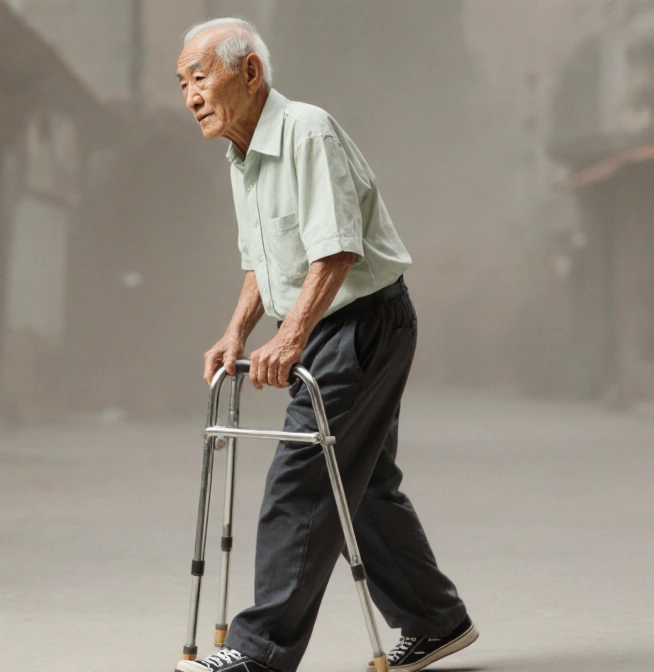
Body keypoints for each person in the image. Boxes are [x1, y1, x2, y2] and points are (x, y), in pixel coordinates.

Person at [174, 19, 477, 672]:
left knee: (303, 483)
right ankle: (436, 619)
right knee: (359, 487)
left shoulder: (306, 131)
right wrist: (237, 332)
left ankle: (258, 653)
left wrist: (291, 334)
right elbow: (264, 262)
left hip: (362, 323)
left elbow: (336, 248)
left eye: (201, 76)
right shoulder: (243, 155)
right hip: (329, 325)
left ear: (249, 73)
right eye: (183, 84)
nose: (191, 94)